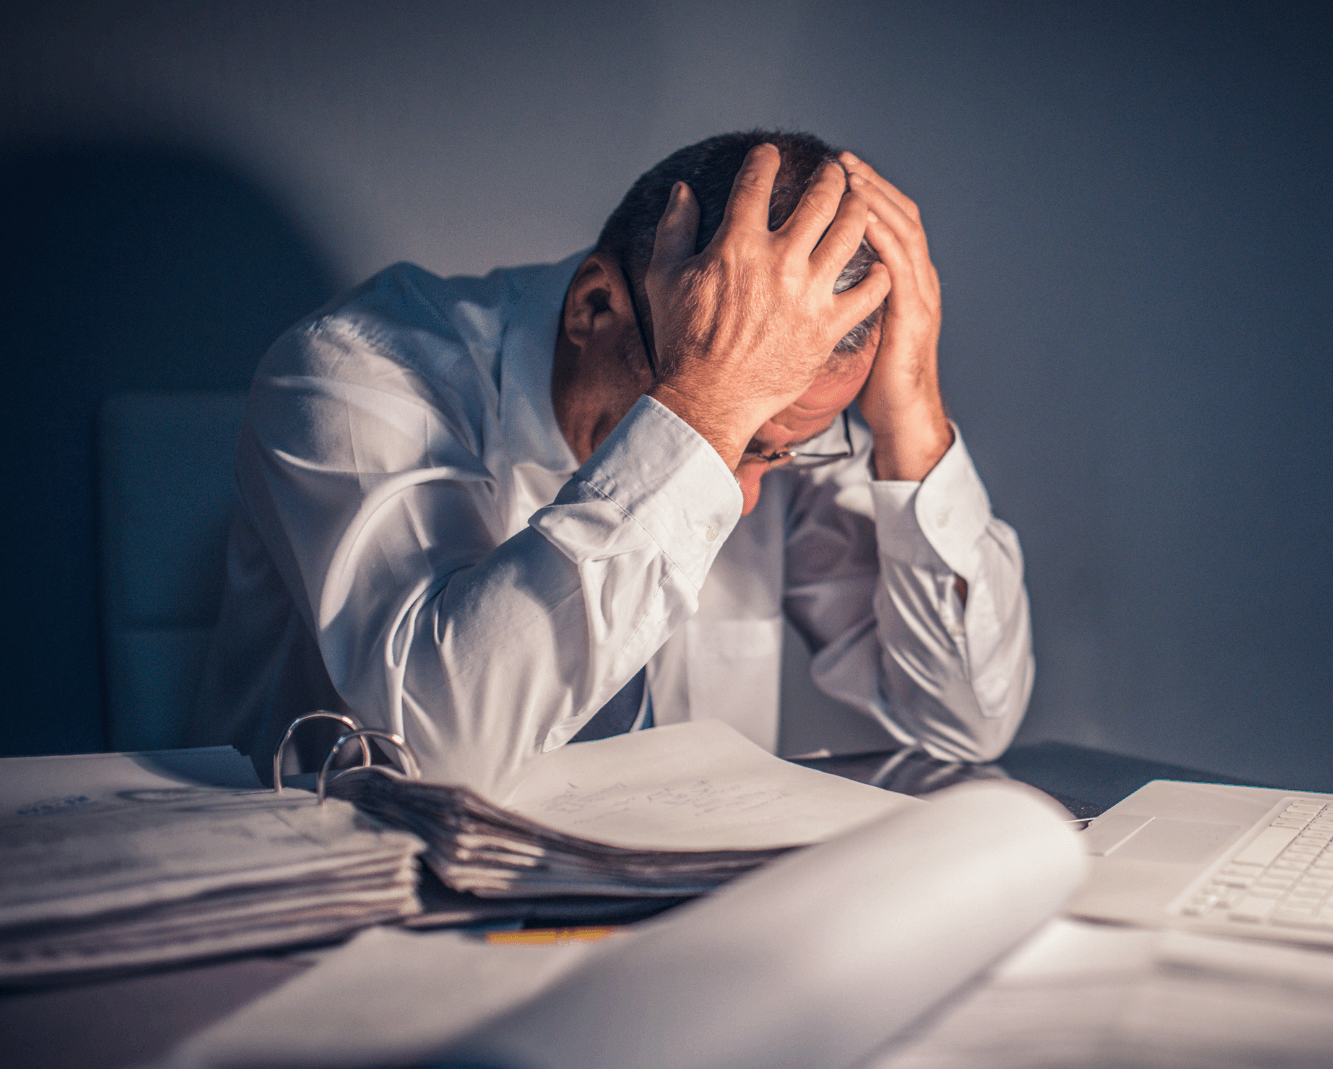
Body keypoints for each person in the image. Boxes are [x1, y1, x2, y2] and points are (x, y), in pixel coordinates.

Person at [189, 131, 1034, 798]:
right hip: (346, 923)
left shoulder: (787, 423)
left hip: (673, 931)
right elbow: (438, 751)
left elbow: (967, 720)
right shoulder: (348, 373)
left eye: (774, 451)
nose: (739, 499)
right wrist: (707, 404)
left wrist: (914, 416)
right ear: (596, 307)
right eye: (730, 440)